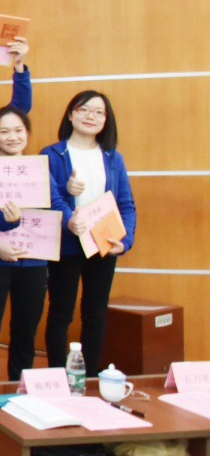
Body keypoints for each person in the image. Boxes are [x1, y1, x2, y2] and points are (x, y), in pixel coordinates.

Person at [42, 91, 137, 376]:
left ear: (106, 120)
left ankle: (90, 378)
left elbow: (126, 204)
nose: (90, 116)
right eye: (83, 109)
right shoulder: (52, 154)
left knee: (96, 313)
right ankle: (58, 376)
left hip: (104, 242)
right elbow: (47, 197)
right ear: (71, 115)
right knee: (61, 313)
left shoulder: (113, 157)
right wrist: (69, 218)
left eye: (98, 112)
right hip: (66, 243)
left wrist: (125, 241)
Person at [0, 106, 47, 382]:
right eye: (4, 131)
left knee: (26, 332)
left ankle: (21, 386)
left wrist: (70, 198)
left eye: (18, 130)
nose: (12, 137)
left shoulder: (39, 170)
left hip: (34, 259)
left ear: (27, 133)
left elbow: (56, 204)